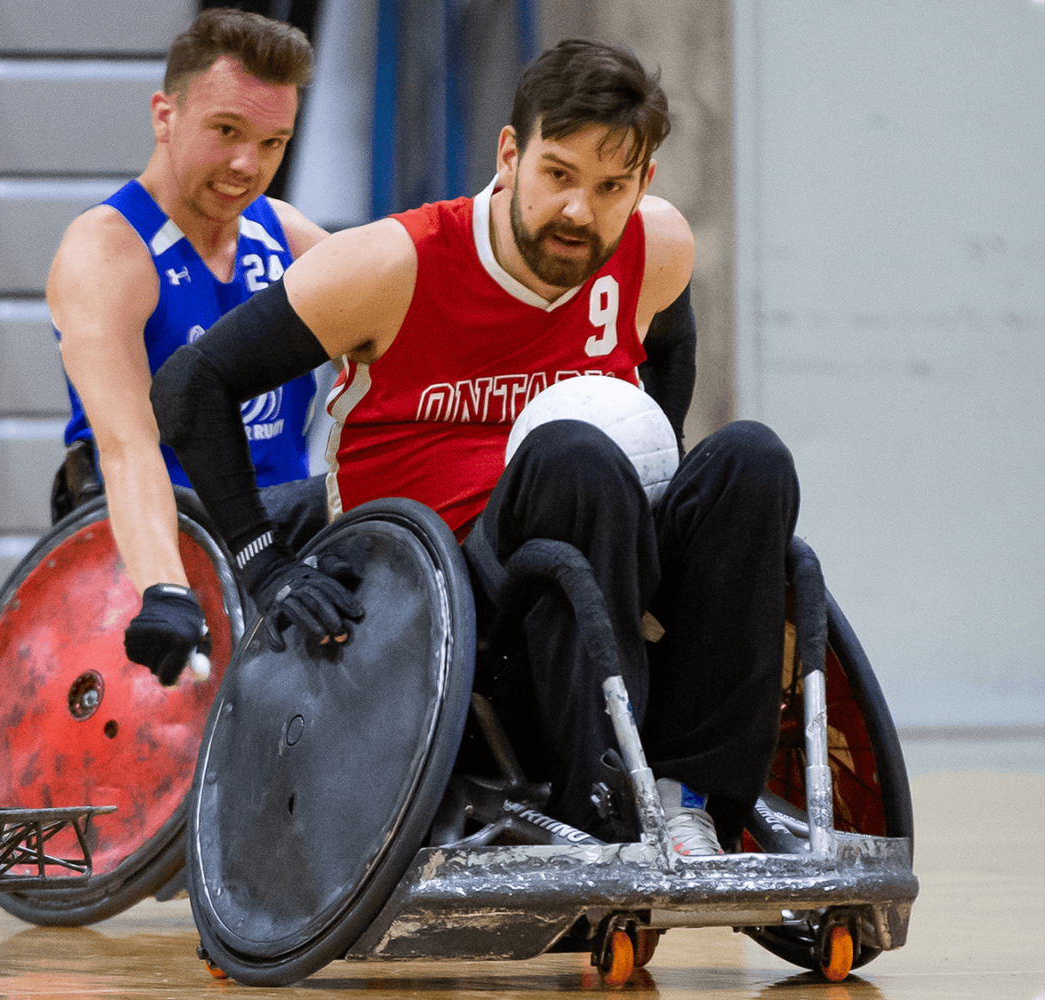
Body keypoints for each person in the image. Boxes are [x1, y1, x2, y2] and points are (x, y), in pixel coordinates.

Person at [152, 39, 796, 857]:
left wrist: (658, 473)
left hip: (596, 555)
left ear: (643, 185)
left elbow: (671, 349)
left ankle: (694, 795)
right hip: (444, 594)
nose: (578, 211)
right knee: (575, 457)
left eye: (610, 188)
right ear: (509, 154)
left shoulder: (656, 246)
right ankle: (601, 800)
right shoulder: (393, 262)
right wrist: (265, 563)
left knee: (752, 458)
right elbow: (188, 386)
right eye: (558, 174)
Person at [48, 7, 332, 687]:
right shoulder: (108, 249)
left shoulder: (288, 236)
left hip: (281, 548)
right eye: (227, 130)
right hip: (162, 546)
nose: (246, 164)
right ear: (164, 115)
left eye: (272, 142)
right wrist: (167, 589)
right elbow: (126, 445)